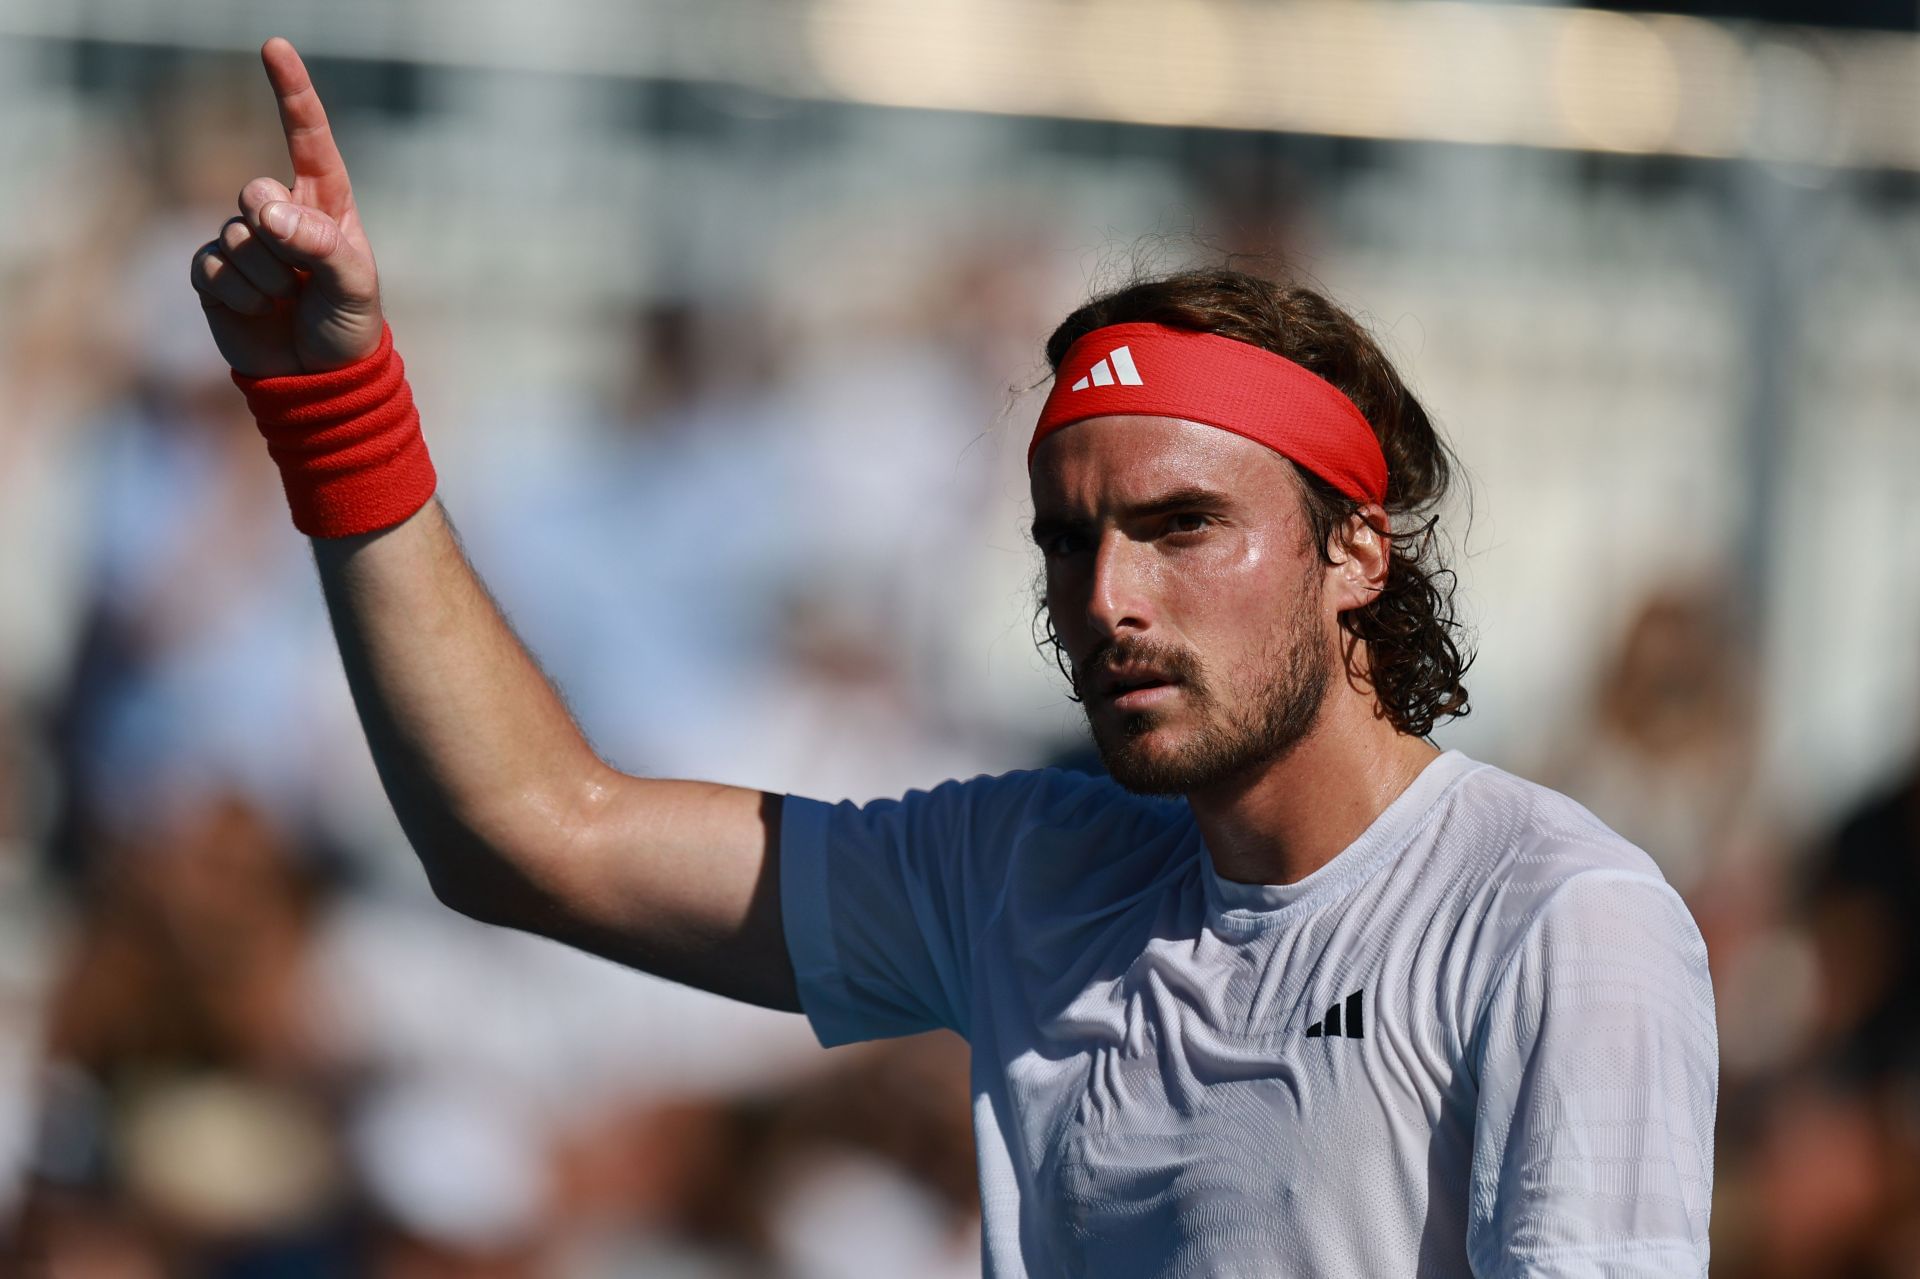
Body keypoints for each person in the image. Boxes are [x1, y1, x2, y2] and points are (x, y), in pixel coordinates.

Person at [188, 37, 1718, 1278]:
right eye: (1068, 538)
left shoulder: (1557, 921)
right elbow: (527, 834)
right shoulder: (1028, 872)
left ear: (1357, 554)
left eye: (1185, 525)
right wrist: (338, 405)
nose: (1107, 593)